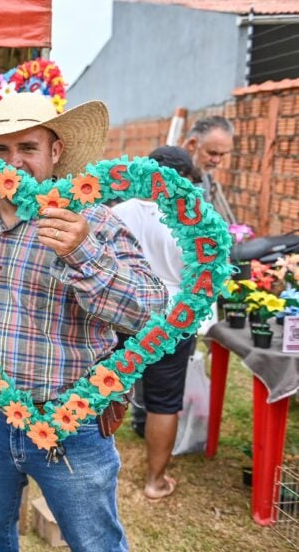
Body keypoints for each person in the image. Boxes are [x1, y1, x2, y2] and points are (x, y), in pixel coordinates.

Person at [0, 92, 166, 552]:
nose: (13, 162)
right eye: (1, 150)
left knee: (96, 542)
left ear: (55, 152)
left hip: (71, 421)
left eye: (27, 148)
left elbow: (149, 310)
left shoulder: (92, 222)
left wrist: (82, 253)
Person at [112, 145, 201, 500]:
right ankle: (154, 482)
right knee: (164, 401)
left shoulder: (118, 212)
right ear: (184, 179)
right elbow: (203, 276)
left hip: (121, 313)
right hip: (174, 320)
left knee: (106, 389)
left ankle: (90, 465)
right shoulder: (194, 221)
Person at [182, 116, 236, 225]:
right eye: (212, 153)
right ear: (192, 144)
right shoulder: (166, 177)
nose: (217, 160)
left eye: (222, 154)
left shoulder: (204, 178)